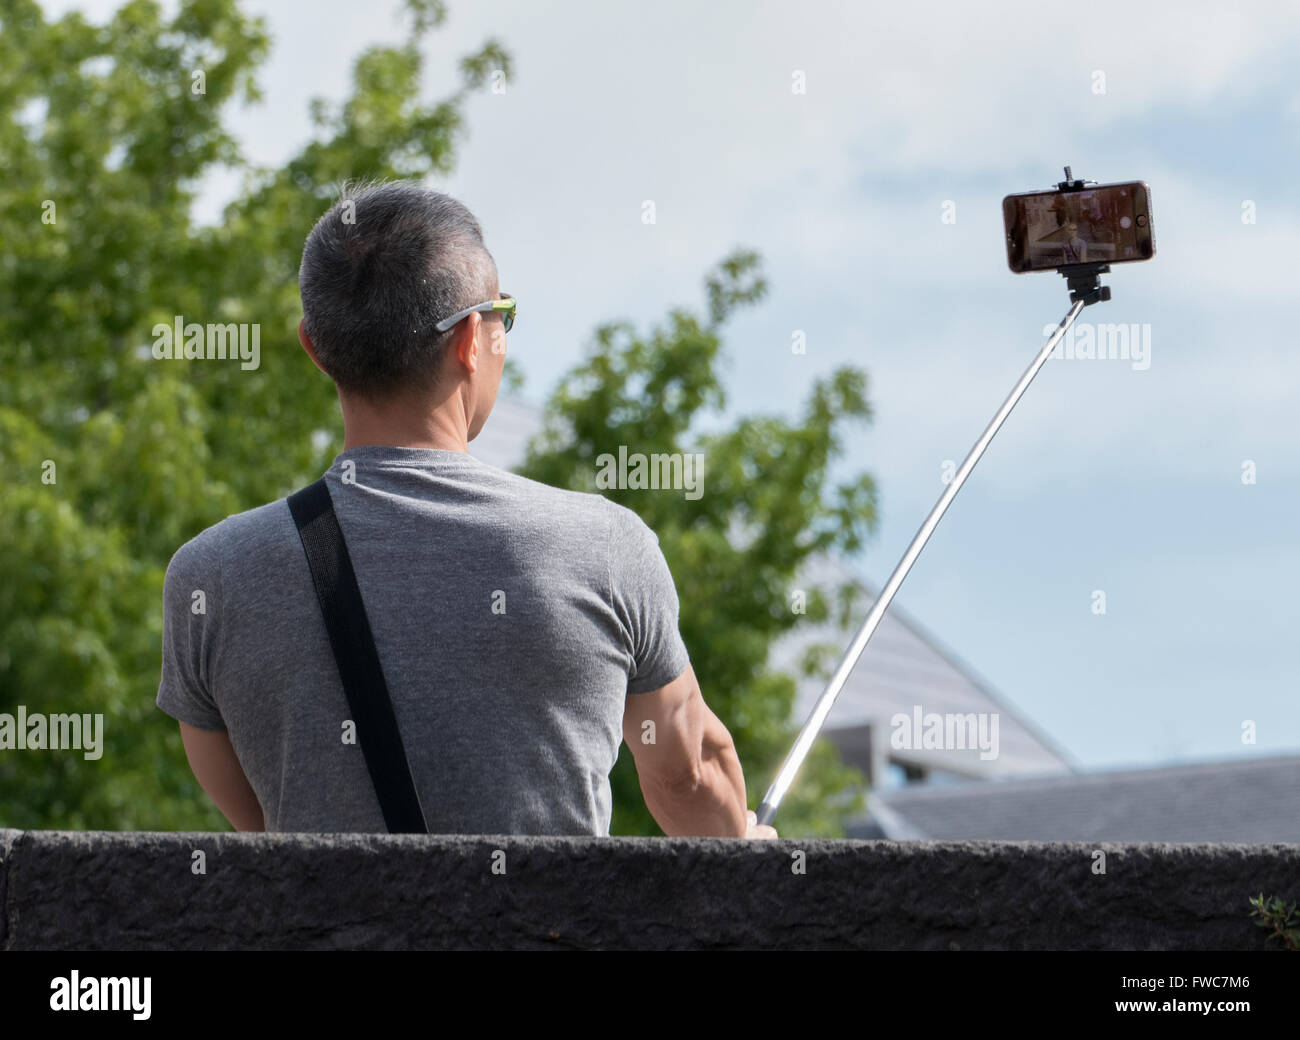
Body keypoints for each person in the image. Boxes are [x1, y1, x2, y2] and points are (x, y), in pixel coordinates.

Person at [156, 179, 777, 840]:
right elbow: (687, 773)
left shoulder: (210, 578)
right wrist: (743, 845)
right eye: (499, 314)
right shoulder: (604, 546)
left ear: (315, 349)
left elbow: (263, 826)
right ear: (468, 344)